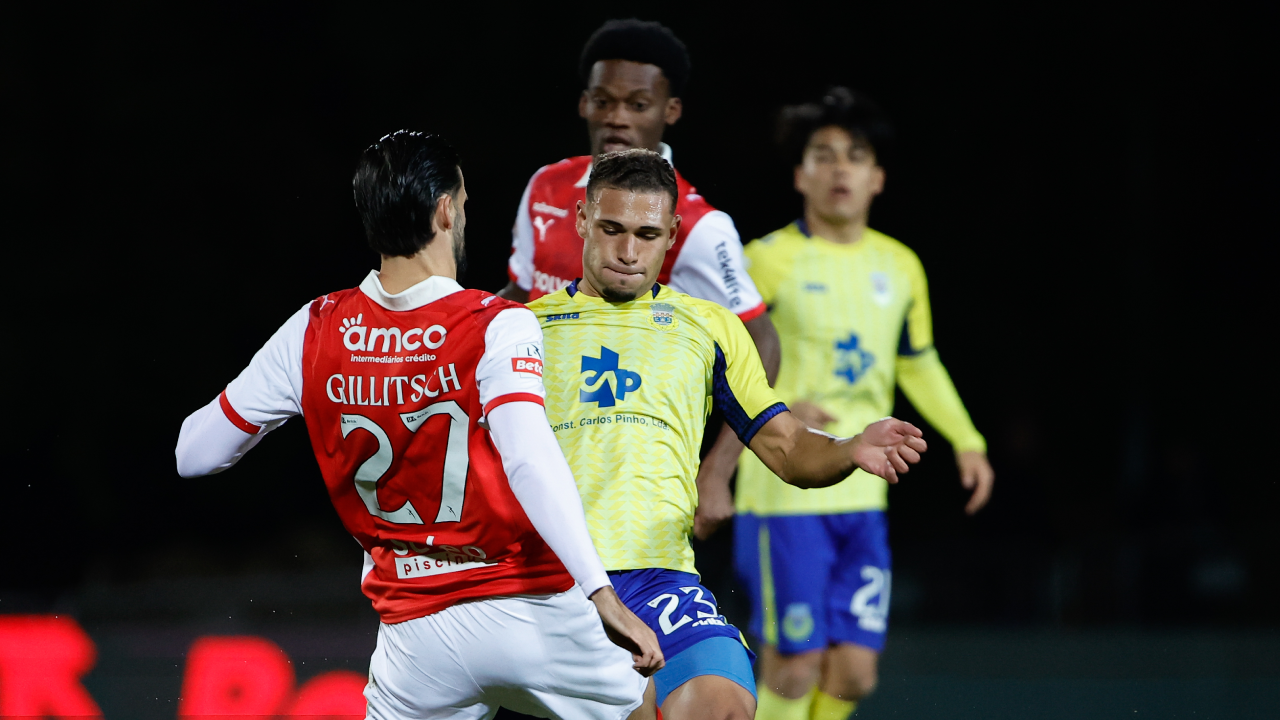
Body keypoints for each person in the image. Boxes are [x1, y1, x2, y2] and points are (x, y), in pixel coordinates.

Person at [174, 131, 664, 720]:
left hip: (416, 635)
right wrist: (601, 594)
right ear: (444, 210)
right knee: (641, 705)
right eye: (463, 200)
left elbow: (193, 454)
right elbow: (529, 458)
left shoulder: (315, 328)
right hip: (530, 604)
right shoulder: (496, 324)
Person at [528, 148, 929, 720]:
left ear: (671, 235)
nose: (627, 251)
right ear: (581, 221)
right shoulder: (522, 328)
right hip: (548, 581)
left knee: (725, 706)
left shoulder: (707, 326)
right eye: (612, 228)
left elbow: (787, 446)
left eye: (646, 233)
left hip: (657, 580)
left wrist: (848, 449)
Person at [730, 88, 996, 720]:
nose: (839, 168)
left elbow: (917, 359)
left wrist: (967, 439)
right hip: (783, 492)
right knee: (792, 665)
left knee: (853, 671)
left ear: (878, 177)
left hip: (865, 496)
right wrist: (776, 405)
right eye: (822, 155)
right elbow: (724, 361)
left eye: (855, 156)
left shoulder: (901, 266)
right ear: (800, 174)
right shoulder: (763, 259)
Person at [496, 19, 781, 532]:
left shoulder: (699, 225)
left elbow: (760, 340)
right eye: (603, 101)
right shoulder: (546, 186)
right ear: (584, 103)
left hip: (630, 475)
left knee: (625, 604)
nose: (616, 119)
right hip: (530, 450)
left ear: (670, 111)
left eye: (637, 105)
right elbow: (519, 294)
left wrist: (716, 471)